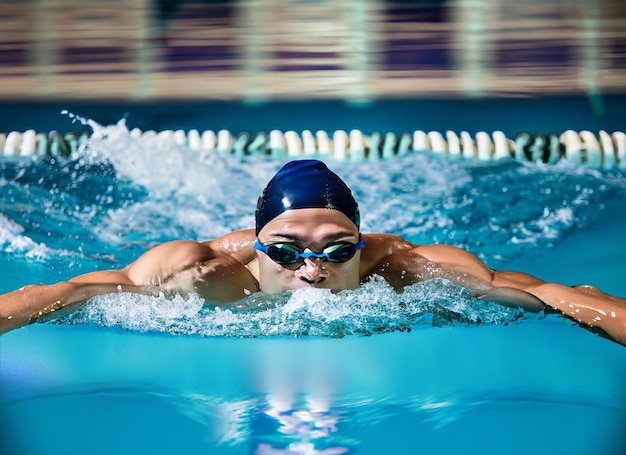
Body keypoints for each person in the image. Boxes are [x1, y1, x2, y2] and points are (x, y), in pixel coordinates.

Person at [0, 159, 624, 344]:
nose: (312, 269)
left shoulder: (406, 268)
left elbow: (552, 294)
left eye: (336, 249)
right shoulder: (202, 275)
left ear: (361, 241)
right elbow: (68, 292)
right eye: (288, 249)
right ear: (260, 242)